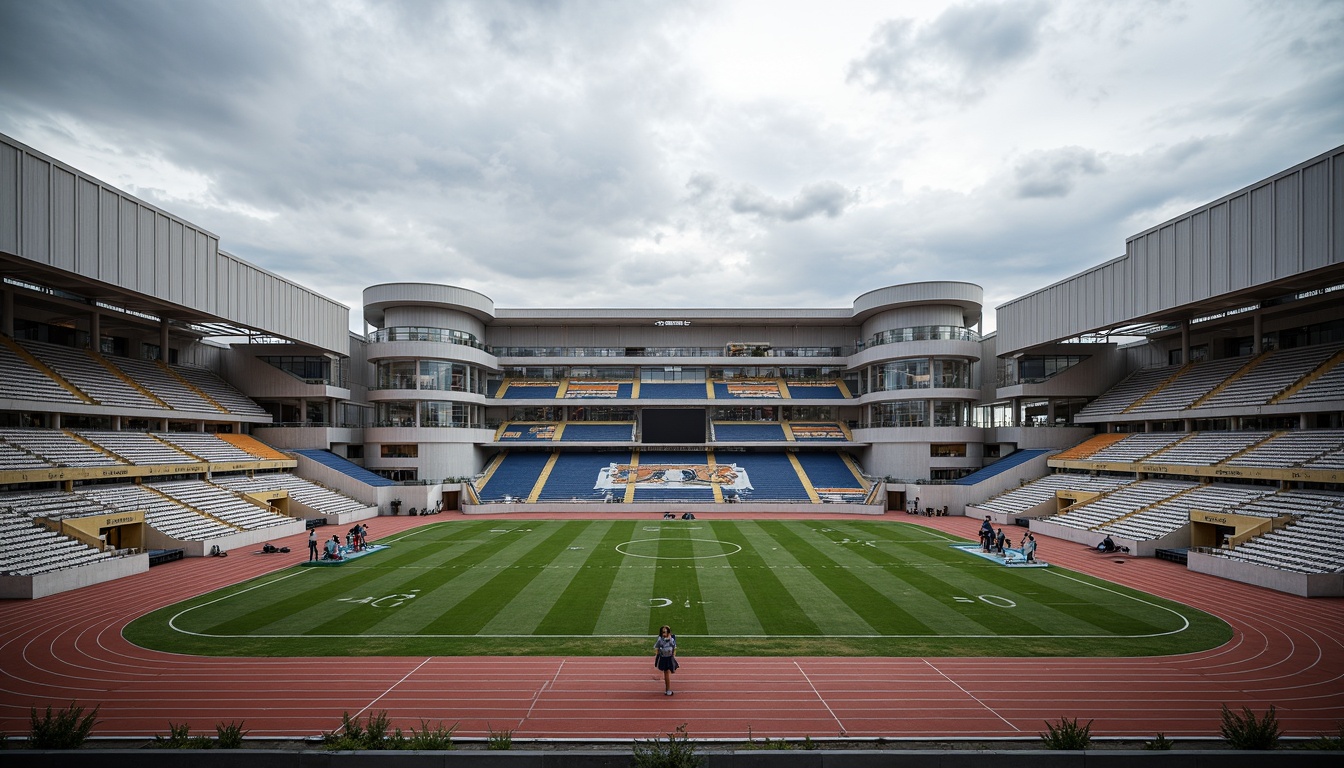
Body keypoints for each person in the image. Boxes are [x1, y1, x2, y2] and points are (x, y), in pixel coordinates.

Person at [653, 625, 678, 696]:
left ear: (668, 633)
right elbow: (657, 648)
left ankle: (668, 689)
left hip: (670, 658)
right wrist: (657, 656)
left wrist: (673, 656)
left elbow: (674, 647)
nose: (663, 634)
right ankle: (668, 690)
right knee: (666, 672)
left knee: (671, 671)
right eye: (662, 632)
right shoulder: (660, 640)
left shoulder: (671, 640)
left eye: (665, 632)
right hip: (664, 658)